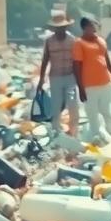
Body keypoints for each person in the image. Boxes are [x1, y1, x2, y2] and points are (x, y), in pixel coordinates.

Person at [73, 17, 111, 143]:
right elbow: (76, 67)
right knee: (93, 115)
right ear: (84, 27)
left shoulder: (101, 41)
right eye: (91, 25)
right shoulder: (79, 43)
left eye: (95, 24)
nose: (94, 27)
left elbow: (108, 63)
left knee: (108, 112)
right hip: (89, 86)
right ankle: (97, 139)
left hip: (105, 83)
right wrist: (80, 88)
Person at [37, 7, 79, 136]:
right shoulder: (49, 41)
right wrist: (41, 79)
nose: (60, 30)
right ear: (54, 28)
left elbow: (77, 61)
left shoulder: (72, 40)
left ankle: (74, 132)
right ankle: (56, 131)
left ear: (66, 27)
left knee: (72, 104)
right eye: (57, 28)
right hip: (55, 78)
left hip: (70, 77)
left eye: (63, 27)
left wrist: (80, 80)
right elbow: (45, 59)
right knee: (56, 105)